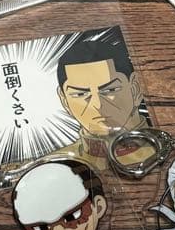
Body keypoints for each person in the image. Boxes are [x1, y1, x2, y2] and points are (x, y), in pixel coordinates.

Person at [56, 29, 151, 169]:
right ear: (64, 101)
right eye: (80, 94)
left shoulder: (168, 143)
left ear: (135, 89)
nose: (97, 105)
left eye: (109, 90)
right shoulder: (57, 164)